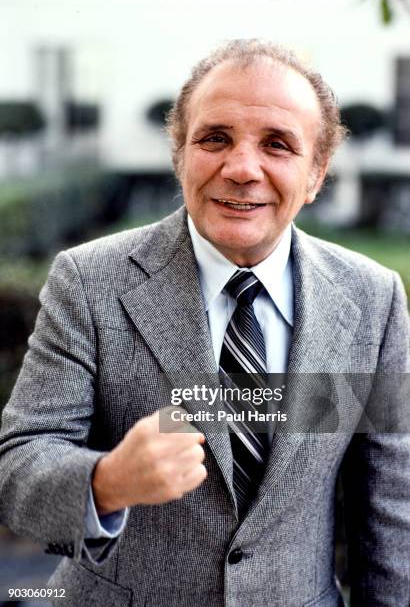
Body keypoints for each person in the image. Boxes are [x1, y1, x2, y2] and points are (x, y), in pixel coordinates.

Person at [0, 39, 409, 607]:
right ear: (180, 155)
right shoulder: (88, 282)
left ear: (316, 175)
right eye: (215, 138)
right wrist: (108, 480)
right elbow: (18, 466)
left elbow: (390, 513)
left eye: (278, 144)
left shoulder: (373, 299)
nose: (241, 168)